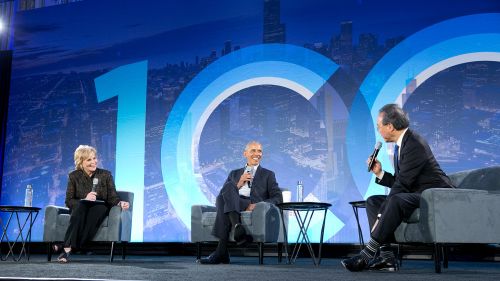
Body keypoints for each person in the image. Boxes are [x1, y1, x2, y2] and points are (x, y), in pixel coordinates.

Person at [341, 104, 454, 272]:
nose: (378, 130)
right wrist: (379, 173)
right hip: (417, 194)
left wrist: (380, 216)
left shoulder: (414, 143)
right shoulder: (401, 144)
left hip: (435, 196)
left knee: (394, 200)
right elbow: (402, 181)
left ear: (390, 127)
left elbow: (402, 185)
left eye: (379, 126)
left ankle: (366, 254)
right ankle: (387, 259)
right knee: (373, 201)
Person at [198, 141, 283, 264]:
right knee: (226, 191)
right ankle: (238, 226)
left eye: (259, 151)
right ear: (245, 153)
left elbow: (278, 197)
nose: (257, 154)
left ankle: (221, 252)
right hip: (235, 203)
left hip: (250, 205)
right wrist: (238, 184)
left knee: (223, 200)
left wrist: (258, 205)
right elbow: (222, 195)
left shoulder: (268, 174)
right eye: (253, 150)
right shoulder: (234, 173)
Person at [54, 145, 130, 263]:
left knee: (97, 210)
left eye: (94, 158)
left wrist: (121, 203)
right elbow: (69, 201)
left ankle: (66, 247)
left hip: (100, 206)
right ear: (81, 162)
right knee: (80, 206)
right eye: (89, 159)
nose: (93, 162)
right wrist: (85, 198)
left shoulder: (105, 175)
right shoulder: (74, 176)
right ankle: (70, 248)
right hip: (80, 207)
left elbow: (112, 196)